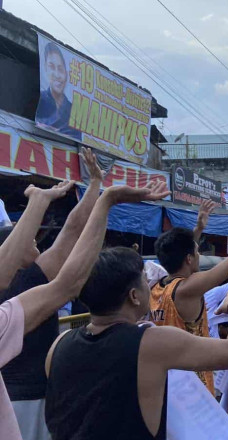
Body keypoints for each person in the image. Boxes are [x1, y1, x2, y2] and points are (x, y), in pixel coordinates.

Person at [45, 239, 228, 438]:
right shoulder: (151, 343)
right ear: (134, 296)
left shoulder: (58, 345)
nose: (150, 286)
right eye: (145, 280)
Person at [0, 149, 102, 440]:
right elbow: (71, 233)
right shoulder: (29, 277)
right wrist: (99, 190)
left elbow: (70, 231)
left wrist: (95, 186)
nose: (36, 239)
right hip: (27, 401)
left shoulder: (27, 276)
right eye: (28, 236)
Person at [149, 190, 228, 394]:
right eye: (196, 252)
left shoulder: (157, 285)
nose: (199, 254)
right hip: (193, 388)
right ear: (189, 259)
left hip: (166, 383)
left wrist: (198, 229)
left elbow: (178, 254)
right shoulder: (186, 289)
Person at [35, 43, 81, 139]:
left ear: (66, 73)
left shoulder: (73, 111)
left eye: (60, 68)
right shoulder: (39, 100)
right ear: (45, 69)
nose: (57, 74)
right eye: (52, 67)